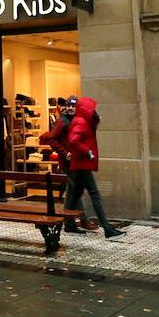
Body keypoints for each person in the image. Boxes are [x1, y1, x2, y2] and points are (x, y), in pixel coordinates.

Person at [65, 97, 123, 240]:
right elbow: (73, 140)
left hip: (80, 164)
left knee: (75, 196)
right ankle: (107, 229)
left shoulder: (83, 121)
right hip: (82, 164)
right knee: (94, 194)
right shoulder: (82, 122)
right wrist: (86, 151)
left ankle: (69, 224)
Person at [41, 96, 92, 233]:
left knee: (71, 192)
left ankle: (69, 223)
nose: (70, 108)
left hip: (75, 161)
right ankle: (83, 220)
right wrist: (64, 153)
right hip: (68, 162)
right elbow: (51, 138)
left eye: (73, 106)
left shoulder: (73, 120)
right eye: (69, 105)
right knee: (76, 191)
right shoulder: (62, 121)